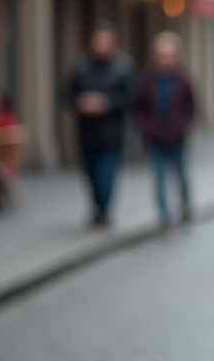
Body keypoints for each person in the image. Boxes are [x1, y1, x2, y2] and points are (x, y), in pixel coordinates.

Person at [64, 22, 136, 227]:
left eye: (104, 41)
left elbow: (131, 96)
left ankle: (104, 210)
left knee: (105, 174)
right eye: (97, 41)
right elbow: (67, 93)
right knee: (90, 174)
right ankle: (97, 207)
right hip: (87, 132)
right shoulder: (81, 67)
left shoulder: (123, 68)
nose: (100, 45)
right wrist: (81, 102)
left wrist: (107, 103)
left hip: (111, 133)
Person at [134, 32, 197, 230]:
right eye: (162, 55)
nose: (165, 59)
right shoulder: (147, 80)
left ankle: (185, 206)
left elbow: (192, 108)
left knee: (181, 176)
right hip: (156, 138)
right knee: (160, 178)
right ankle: (164, 217)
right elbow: (139, 108)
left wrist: (182, 126)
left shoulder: (183, 79)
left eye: (169, 55)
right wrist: (148, 128)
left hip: (177, 137)